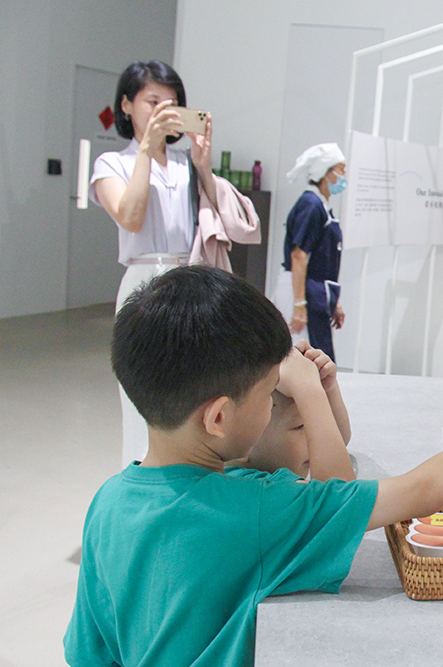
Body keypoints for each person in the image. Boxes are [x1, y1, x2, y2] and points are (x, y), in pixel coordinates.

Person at [64, 266, 443, 667]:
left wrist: (313, 391)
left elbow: (89, 653)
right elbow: (419, 490)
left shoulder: (107, 502)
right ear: (219, 418)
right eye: (270, 394)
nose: (278, 402)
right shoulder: (253, 511)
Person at [91, 60, 252, 469]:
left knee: (199, 390)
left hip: (191, 277)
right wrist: (147, 150)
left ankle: (192, 475)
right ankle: (140, 478)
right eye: (153, 101)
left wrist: (202, 164)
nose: (164, 110)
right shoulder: (112, 164)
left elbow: (229, 221)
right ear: (126, 105)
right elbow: (130, 217)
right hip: (143, 280)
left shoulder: (186, 165)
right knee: (142, 395)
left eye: (172, 102)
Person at [233, 342, 355, 482]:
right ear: (242, 436)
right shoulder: (260, 487)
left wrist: (328, 387)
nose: (315, 433)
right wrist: (309, 391)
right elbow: (341, 492)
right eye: (300, 426)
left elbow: (338, 441)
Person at [279, 143, 348, 362]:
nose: (344, 175)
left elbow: (324, 258)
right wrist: (299, 306)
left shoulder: (321, 206)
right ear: (325, 172)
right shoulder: (310, 205)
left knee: (320, 361)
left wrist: (334, 302)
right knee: (306, 362)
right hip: (303, 293)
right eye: (341, 169)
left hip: (316, 294)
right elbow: (299, 255)